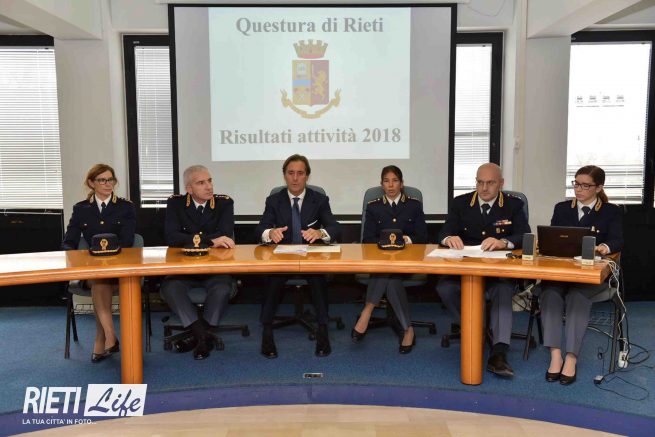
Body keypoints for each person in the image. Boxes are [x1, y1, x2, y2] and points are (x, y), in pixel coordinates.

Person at [436, 162, 530, 378]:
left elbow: (524, 236)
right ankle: (473, 327)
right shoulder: (461, 203)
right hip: (465, 269)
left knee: (503, 291)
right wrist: (449, 238)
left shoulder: (513, 205)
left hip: (498, 271)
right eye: (480, 182)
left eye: (490, 183)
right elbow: (443, 232)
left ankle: (499, 352)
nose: (484, 188)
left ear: (501, 183)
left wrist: (503, 242)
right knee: (445, 288)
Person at [541, 165, 623, 385]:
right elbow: (552, 238)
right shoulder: (562, 208)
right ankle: (555, 354)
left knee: (577, 297)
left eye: (585, 186)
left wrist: (605, 247)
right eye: (576, 184)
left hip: (589, 275)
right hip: (562, 272)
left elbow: (617, 240)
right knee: (549, 294)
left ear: (599, 188)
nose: (579, 189)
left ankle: (571, 357)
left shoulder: (611, 211)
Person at [255, 154, 340, 358]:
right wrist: (270, 233)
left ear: (307, 176)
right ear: (284, 175)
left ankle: (323, 330)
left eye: (300, 173)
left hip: (310, 257)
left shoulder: (319, 200)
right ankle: (267, 331)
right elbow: (260, 228)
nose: (295, 178)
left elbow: (335, 227)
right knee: (273, 280)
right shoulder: (274, 200)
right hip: (282, 257)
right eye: (290, 173)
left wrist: (320, 233)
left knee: (318, 279)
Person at [160, 165, 236, 360]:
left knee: (222, 288)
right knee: (170, 288)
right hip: (183, 270)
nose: (209, 186)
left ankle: (197, 337)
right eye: (201, 183)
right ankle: (202, 336)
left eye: (209, 181)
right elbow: (172, 237)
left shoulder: (224, 203)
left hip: (214, 269)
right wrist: (211, 240)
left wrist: (192, 239)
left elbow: (225, 233)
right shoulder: (176, 204)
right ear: (189, 189)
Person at [62, 163, 136, 363]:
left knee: (99, 283)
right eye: (102, 180)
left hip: (119, 270)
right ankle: (110, 337)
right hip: (91, 270)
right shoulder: (81, 209)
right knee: (98, 280)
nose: (107, 184)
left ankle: (102, 339)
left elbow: (128, 242)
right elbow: (69, 241)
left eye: (110, 179)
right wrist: (73, 259)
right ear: (91, 183)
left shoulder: (125, 207)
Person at [352, 165, 426, 354]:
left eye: (395, 181)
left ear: (402, 184)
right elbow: (367, 239)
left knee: (386, 275)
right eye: (386, 181)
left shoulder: (413, 205)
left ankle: (367, 310)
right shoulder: (373, 206)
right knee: (390, 279)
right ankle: (408, 329)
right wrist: (383, 244)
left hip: (407, 261)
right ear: (381, 184)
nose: (391, 185)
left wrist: (405, 240)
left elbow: (423, 237)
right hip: (381, 260)